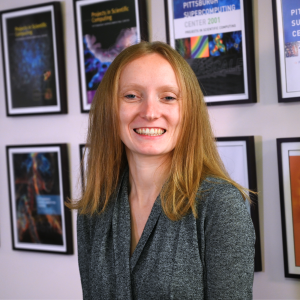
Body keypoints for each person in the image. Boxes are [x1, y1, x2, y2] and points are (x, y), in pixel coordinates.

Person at [70, 41, 255, 299]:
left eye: (168, 97)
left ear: (188, 110)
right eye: (132, 96)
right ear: (109, 109)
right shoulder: (94, 208)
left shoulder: (220, 204)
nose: (149, 112)